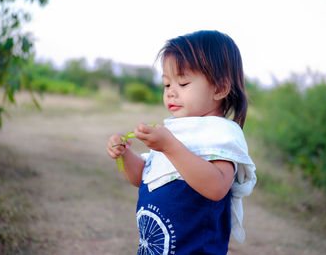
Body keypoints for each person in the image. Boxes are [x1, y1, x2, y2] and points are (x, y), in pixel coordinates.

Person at [106, 30, 256, 254]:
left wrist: (169, 146)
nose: (171, 93)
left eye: (183, 83)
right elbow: (145, 177)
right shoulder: (175, 131)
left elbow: (217, 187)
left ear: (220, 88)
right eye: (167, 85)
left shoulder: (222, 133)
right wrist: (125, 156)